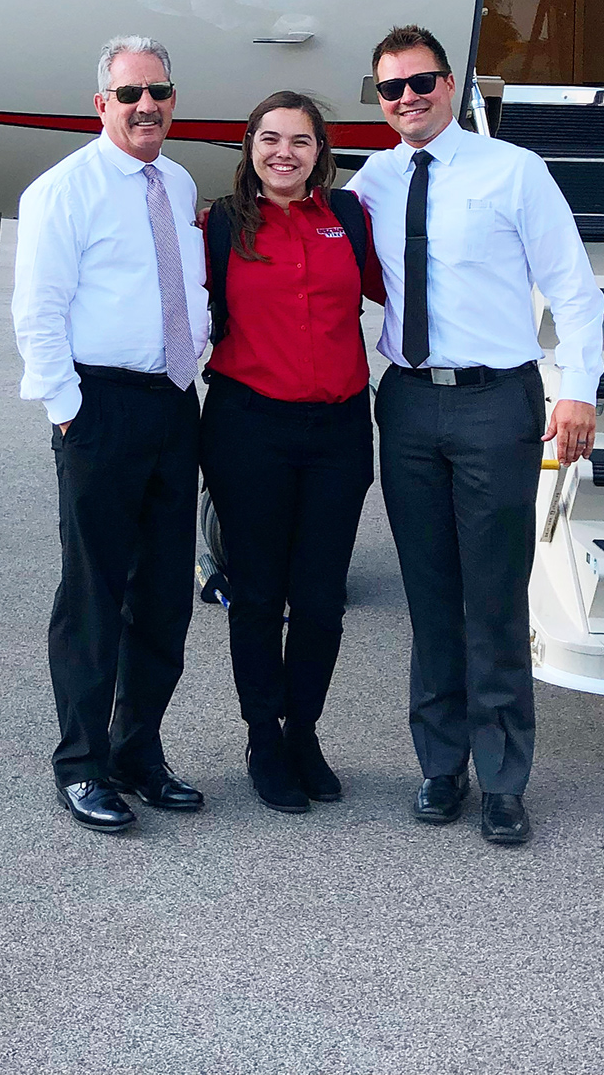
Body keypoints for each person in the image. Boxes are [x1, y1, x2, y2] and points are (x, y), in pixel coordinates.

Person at [347, 25, 603, 846]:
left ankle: (502, 780)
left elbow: (576, 289)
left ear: (449, 85)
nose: (407, 98)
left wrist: (580, 392)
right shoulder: (372, 182)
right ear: (379, 98)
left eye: (421, 82)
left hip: (498, 404)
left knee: (492, 597)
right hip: (411, 404)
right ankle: (439, 766)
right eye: (391, 88)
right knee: (429, 598)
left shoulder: (512, 171)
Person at [11, 35, 212, 834]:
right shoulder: (65, 190)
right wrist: (68, 407)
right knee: (95, 595)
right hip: (101, 407)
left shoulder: (179, 178)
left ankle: (138, 750)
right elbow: (38, 309)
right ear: (102, 105)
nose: (145, 107)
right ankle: (81, 764)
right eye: (129, 95)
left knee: (164, 596)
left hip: (171, 403)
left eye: (158, 92)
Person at [200, 92, 382, 813]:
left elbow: (394, 290)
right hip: (250, 427)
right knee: (257, 596)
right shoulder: (218, 225)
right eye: (270, 139)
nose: (284, 153)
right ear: (250, 146)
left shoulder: (349, 218)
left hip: (337, 431)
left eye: (300, 141)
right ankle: (262, 739)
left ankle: (303, 731)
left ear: (320, 151)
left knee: (320, 601)